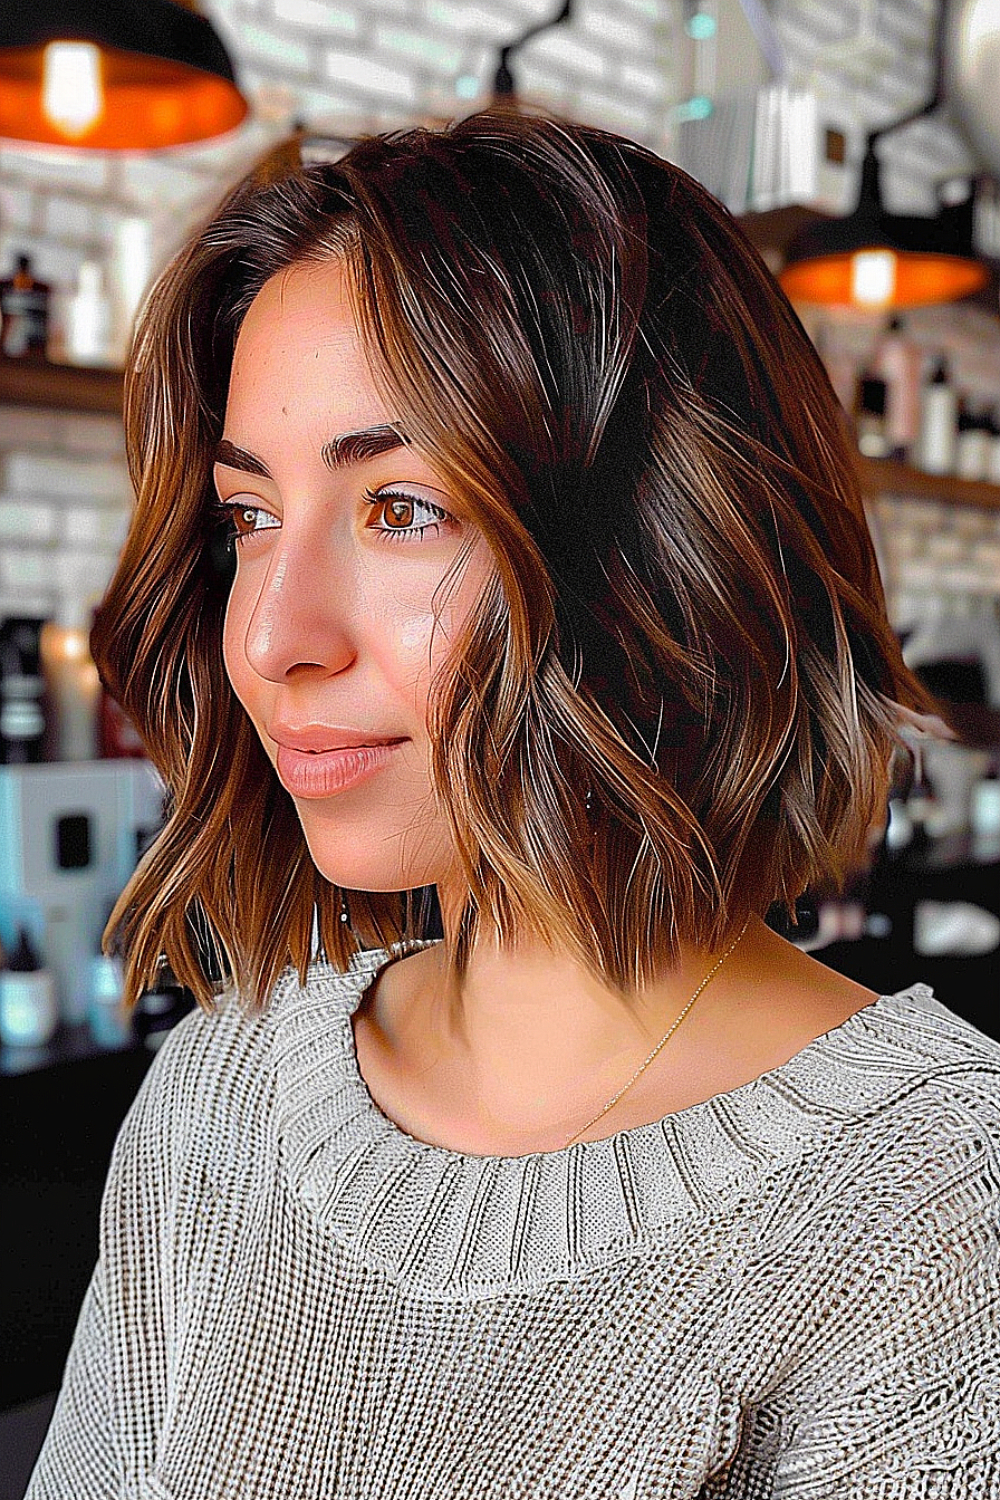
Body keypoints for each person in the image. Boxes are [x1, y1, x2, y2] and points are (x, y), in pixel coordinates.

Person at [28, 110, 999, 1498]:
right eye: (249, 519)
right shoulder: (221, 1097)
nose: (271, 639)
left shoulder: (931, 1209)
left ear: (668, 547)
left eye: (403, 509)